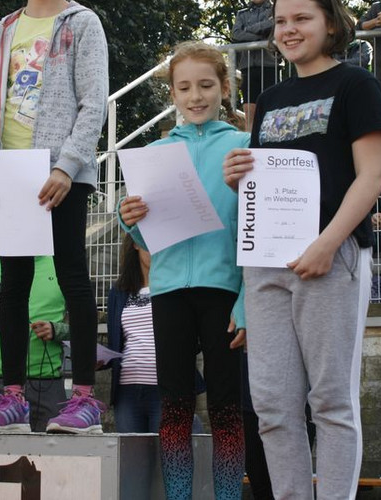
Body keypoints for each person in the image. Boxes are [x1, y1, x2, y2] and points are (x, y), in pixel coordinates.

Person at [225, 0, 381, 499]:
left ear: (331, 24)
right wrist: (237, 175)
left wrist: (327, 243)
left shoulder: (356, 85)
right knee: (273, 406)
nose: (289, 29)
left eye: (302, 18)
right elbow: (263, 182)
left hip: (330, 258)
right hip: (266, 263)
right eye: (280, 21)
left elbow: (372, 176)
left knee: (332, 403)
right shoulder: (269, 97)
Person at [0, 0, 109, 435]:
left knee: (72, 274)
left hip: (61, 174)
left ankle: (85, 399)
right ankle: (12, 398)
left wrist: (66, 165)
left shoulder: (82, 24)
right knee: (15, 284)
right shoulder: (1, 31)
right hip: (10, 174)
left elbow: (93, 102)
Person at [119, 41, 247, 500]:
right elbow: (146, 237)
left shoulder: (243, 147)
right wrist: (129, 220)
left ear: (225, 88)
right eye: (185, 87)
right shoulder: (155, 152)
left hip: (225, 291)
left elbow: (256, 230)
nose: (196, 96)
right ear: (172, 93)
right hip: (169, 290)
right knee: (174, 406)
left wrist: (247, 301)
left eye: (206, 85)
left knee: (227, 407)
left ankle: (228, 496)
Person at [0, 257, 69, 433]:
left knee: (50, 450)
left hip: (47, 384)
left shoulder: (62, 268)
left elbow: (84, 331)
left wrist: (56, 330)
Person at [105, 234, 160, 433]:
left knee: (168, 450)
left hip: (165, 389)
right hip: (126, 391)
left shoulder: (172, 288)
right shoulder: (118, 291)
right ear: (136, 243)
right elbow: (116, 342)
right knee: (130, 451)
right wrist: (101, 359)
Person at [232, 0, 282, 128]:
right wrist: (260, 36)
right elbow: (236, 34)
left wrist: (249, 30)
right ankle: (251, 139)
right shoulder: (242, 14)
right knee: (249, 110)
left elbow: (274, 24)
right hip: (248, 66)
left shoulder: (277, 9)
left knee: (272, 107)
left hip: (270, 64)